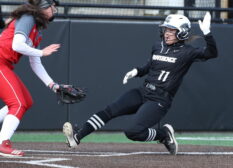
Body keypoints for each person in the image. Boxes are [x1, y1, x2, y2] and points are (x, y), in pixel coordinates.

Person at [63, 12, 217, 155]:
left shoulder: (188, 51)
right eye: (166, 29)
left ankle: (163, 134)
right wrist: (136, 71)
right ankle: (77, 137)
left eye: (171, 30)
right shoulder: (158, 46)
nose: (167, 33)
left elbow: (211, 53)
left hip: (159, 99)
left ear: (182, 32)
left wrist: (208, 34)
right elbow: (149, 67)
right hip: (143, 91)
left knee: (132, 132)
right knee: (109, 110)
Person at [0, 0, 64, 157]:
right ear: (41, 7)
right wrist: (42, 52)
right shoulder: (28, 17)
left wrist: (52, 85)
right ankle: (3, 143)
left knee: (26, 102)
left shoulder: (36, 29)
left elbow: (35, 62)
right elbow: (17, 45)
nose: (54, 9)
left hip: (4, 65)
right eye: (51, 5)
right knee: (18, 103)